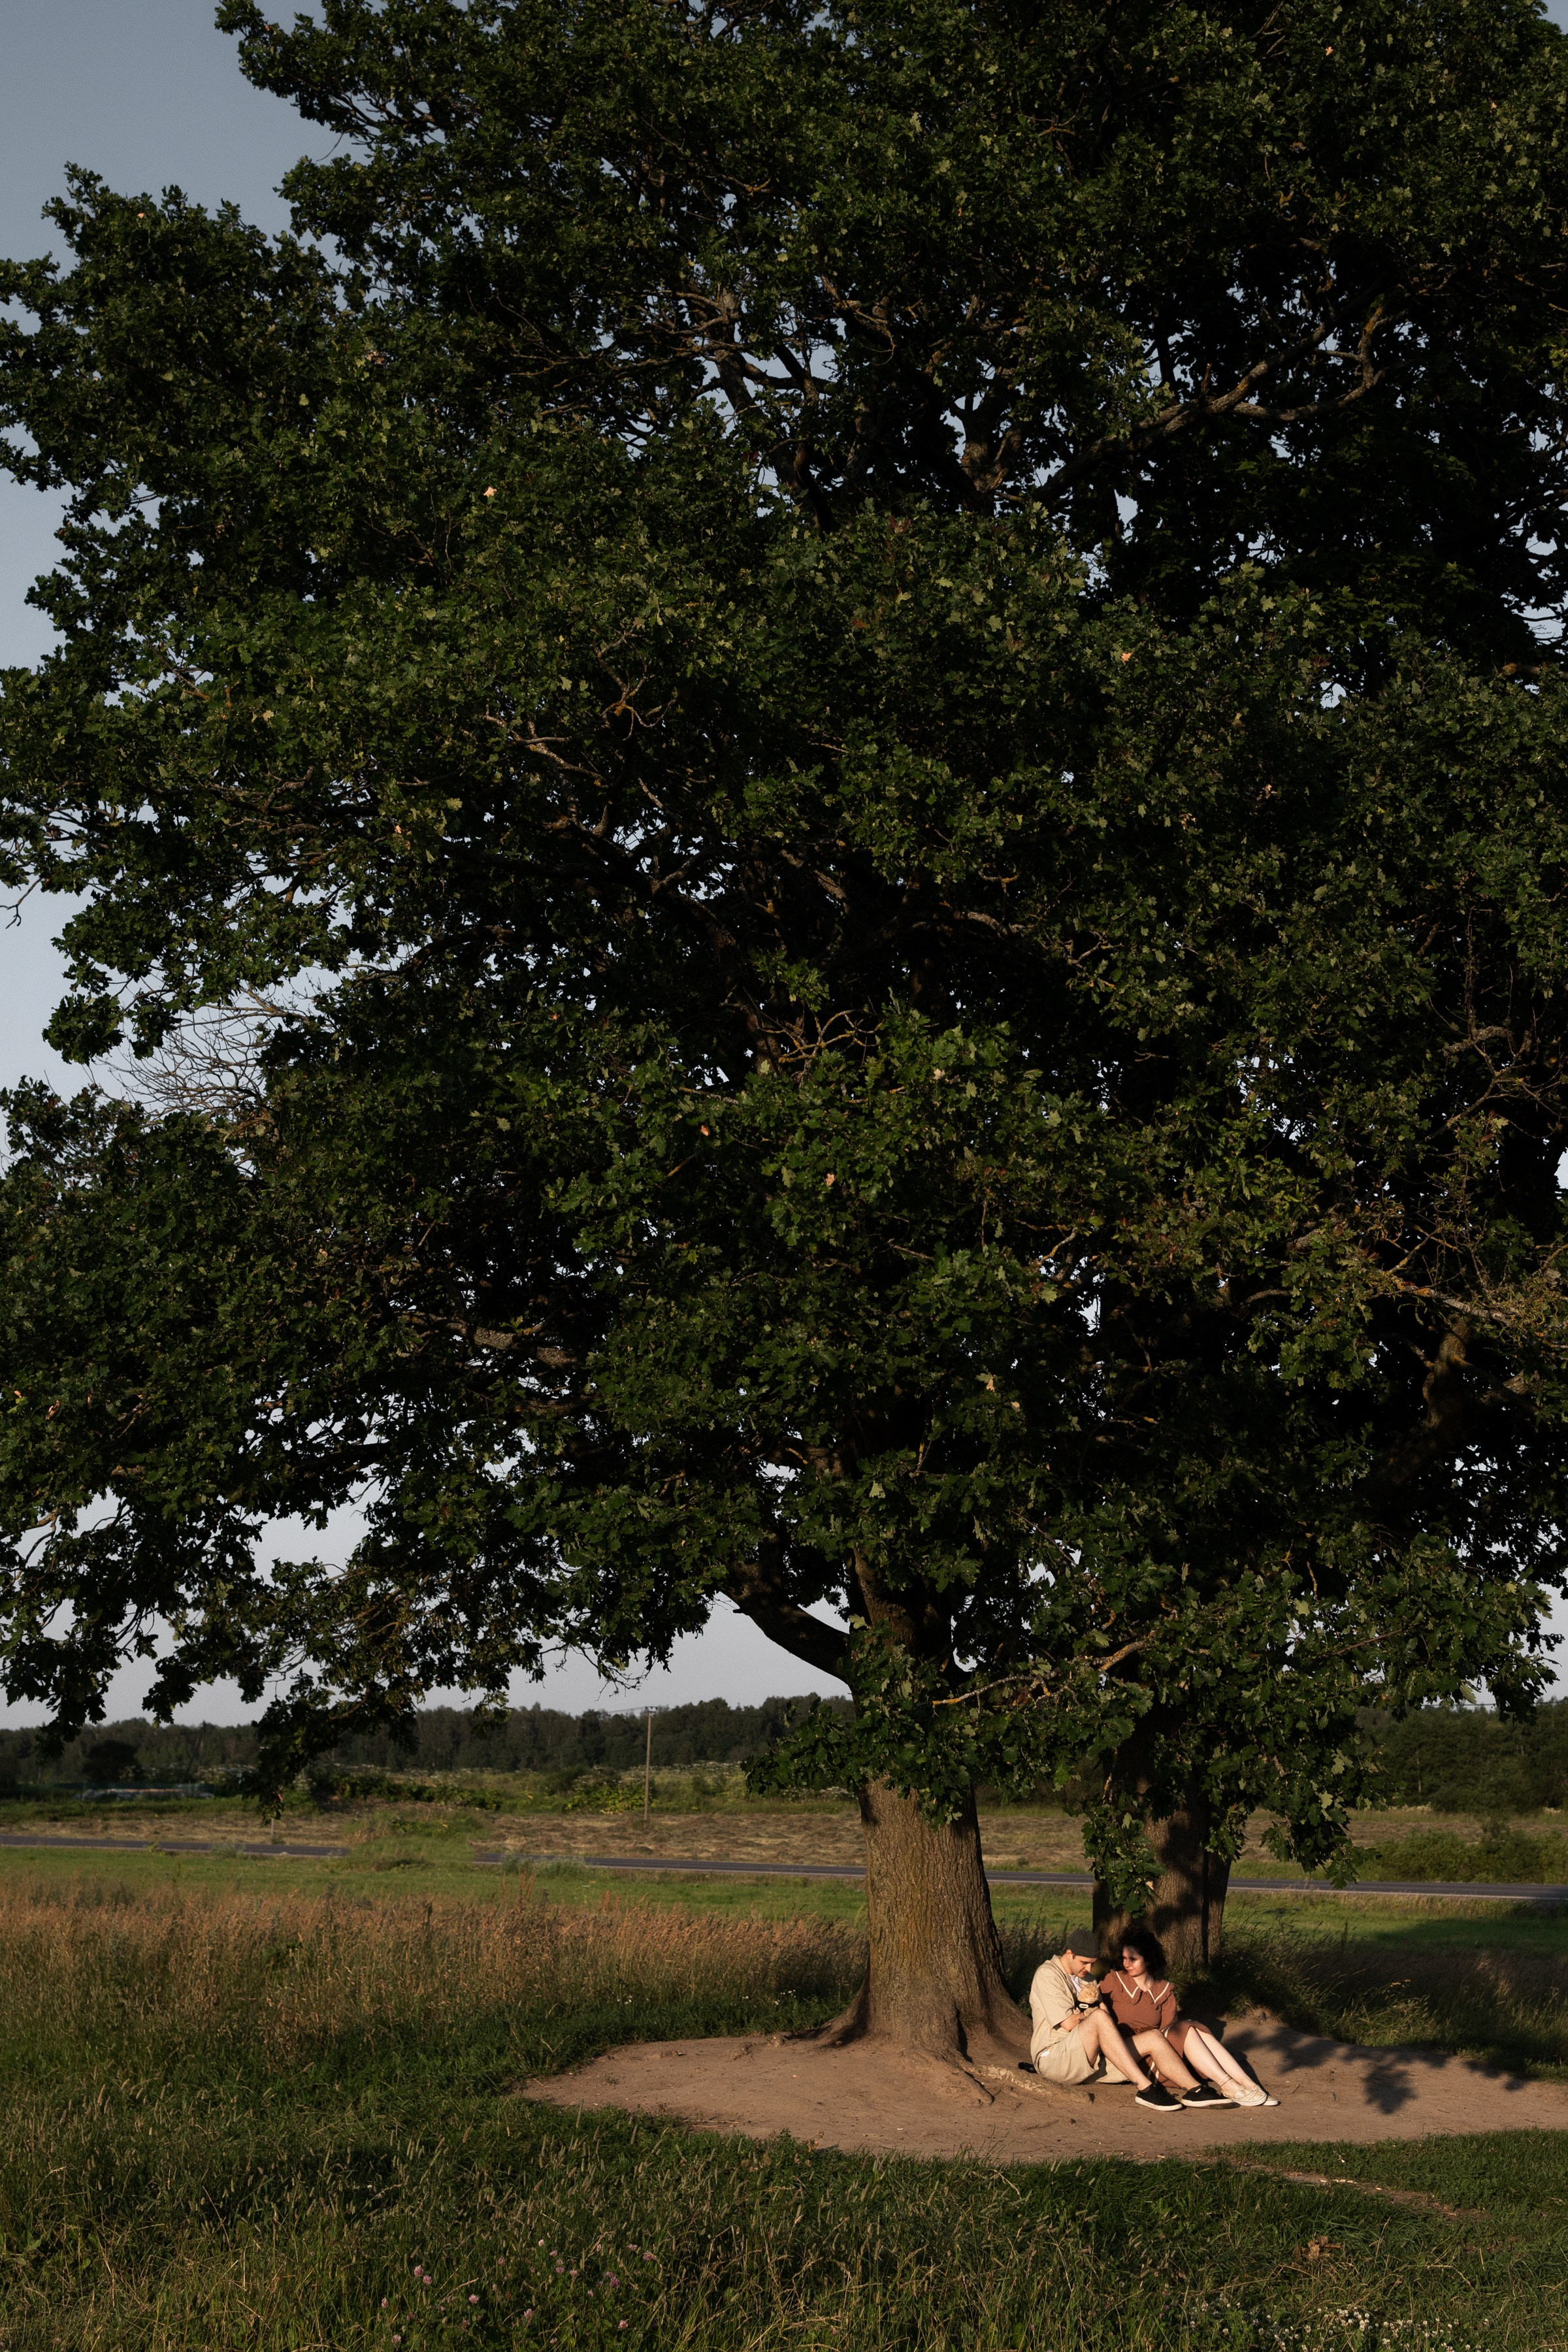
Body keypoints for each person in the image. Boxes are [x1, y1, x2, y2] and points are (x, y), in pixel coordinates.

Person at [1102, 1924, 1279, 2108]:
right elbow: (1098, 2015)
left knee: (1190, 2028)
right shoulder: (1114, 1981)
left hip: (1160, 2053)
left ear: (1148, 1960)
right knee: (1187, 2027)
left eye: (1133, 1959)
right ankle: (1229, 2085)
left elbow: (1171, 2033)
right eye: (1124, 1958)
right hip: (1129, 2052)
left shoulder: (1164, 1990)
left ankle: (1247, 2084)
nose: (1126, 1964)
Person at [1025, 1933, 1191, 2112]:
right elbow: (1069, 2024)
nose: (1089, 1969)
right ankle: (1146, 2089)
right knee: (1098, 2018)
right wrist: (1094, 2012)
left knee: (1154, 2037)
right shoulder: (1048, 1974)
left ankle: (1196, 2089)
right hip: (1055, 2059)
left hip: (1091, 2058)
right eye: (1084, 1963)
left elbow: (1106, 2019)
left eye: (1093, 1963)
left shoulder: (1088, 1978)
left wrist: (1101, 2006)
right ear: (1069, 1954)